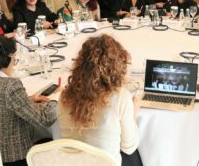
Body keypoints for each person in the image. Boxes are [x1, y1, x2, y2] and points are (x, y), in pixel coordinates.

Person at [58, 34, 142, 166]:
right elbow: (129, 147)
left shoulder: (64, 95)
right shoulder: (120, 96)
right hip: (105, 163)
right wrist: (134, 113)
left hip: (74, 162)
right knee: (137, 155)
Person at [0, 35, 57, 166]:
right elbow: (43, 119)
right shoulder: (10, 86)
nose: (14, 64)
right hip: (14, 158)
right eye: (14, 59)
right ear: (4, 59)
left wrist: (28, 100)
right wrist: (55, 100)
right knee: (50, 140)